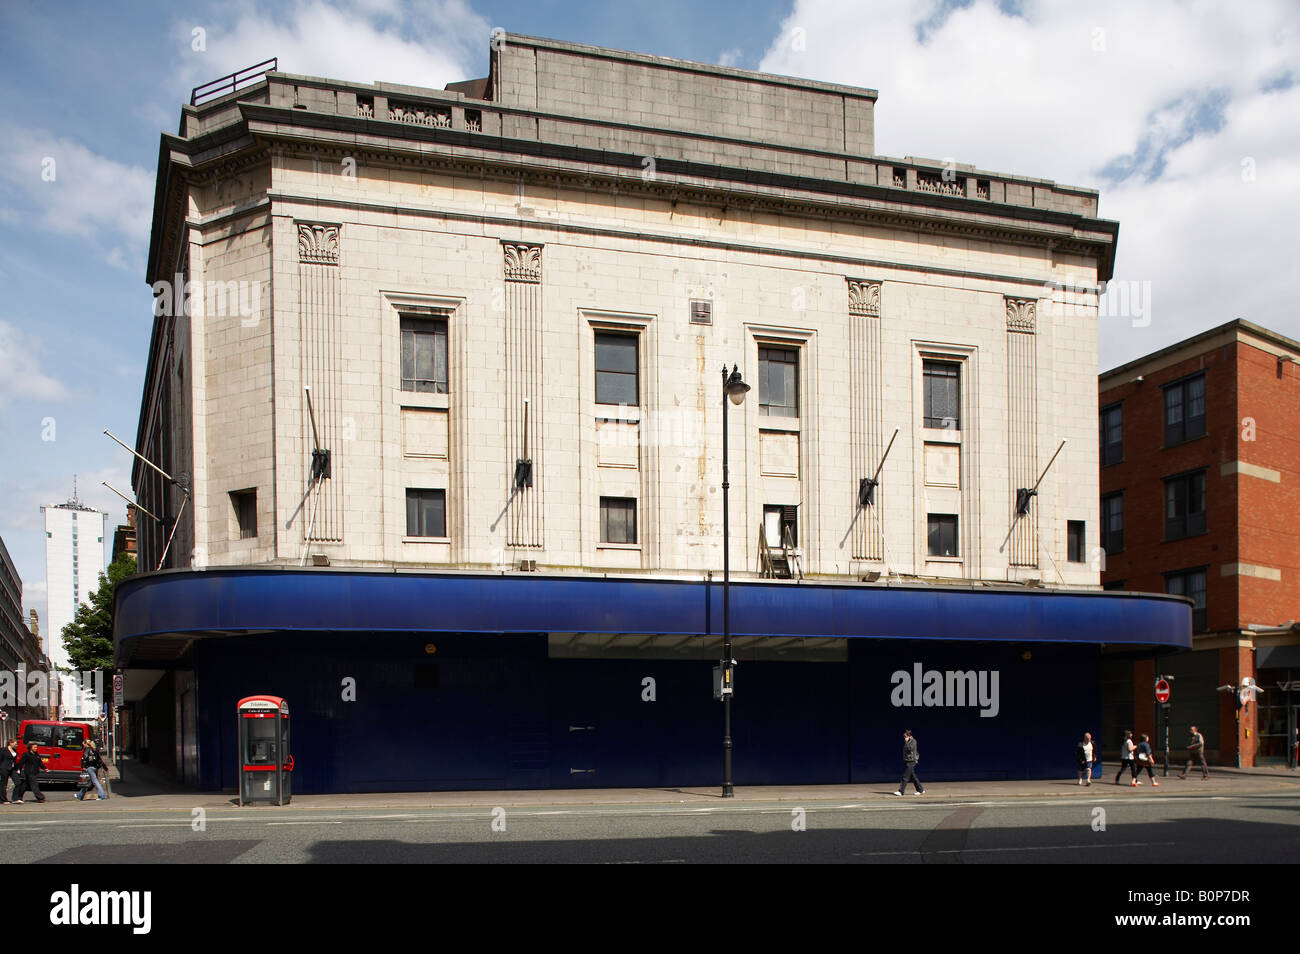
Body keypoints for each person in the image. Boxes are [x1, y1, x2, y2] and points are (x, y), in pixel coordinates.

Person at [894, 729, 924, 796]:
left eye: (905, 737)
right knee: (913, 777)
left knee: (905, 777)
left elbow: (910, 749)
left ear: (909, 736)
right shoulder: (908, 741)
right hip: (907, 761)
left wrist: (907, 742)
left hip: (911, 761)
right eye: (904, 737)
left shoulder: (913, 741)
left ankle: (901, 791)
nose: (904, 738)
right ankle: (921, 790)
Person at [0, 738, 16, 804]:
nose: (16, 745)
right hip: (4, 768)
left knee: (18, 782)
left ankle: (16, 798)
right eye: (15, 744)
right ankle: (3, 800)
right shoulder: (4, 750)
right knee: (4, 784)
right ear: (10, 743)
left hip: (12, 769)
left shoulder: (14, 750)